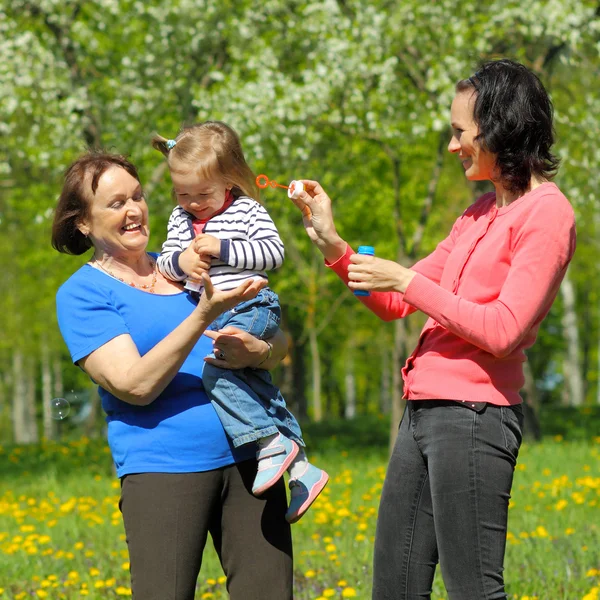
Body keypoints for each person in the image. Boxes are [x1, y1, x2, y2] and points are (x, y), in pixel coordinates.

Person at [288, 59, 576, 599]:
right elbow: (398, 301)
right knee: (393, 588)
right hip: (421, 413)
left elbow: (504, 329)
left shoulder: (547, 215)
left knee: (473, 590)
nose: (452, 145)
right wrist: (331, 241)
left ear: (501, 129)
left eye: (460, 132)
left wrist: (405, 280)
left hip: (476, 417)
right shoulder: (476, 214)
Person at [52, 152, 294, 600]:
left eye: (139, 196)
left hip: (253, 459)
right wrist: (204, 314)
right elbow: (134, 385)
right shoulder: (82, 294)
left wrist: (259, 352)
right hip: (163, 469)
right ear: (83, 223)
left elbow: (278, 340)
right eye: (116, 203)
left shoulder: (184, 264)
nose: (134, 210)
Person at [151, 121, 328, 522]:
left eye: (203, 194)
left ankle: (269, 444)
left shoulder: (248, 210)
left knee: (216, 375)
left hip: (252, 305)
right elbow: (164, 261)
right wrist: (181, 262)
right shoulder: (179, 219)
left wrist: (223, 247)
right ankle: (302, 469)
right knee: (256, 386)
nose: (193, 203)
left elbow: (272, 254)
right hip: (215, 313)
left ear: (229, 181)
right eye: (183, 194)